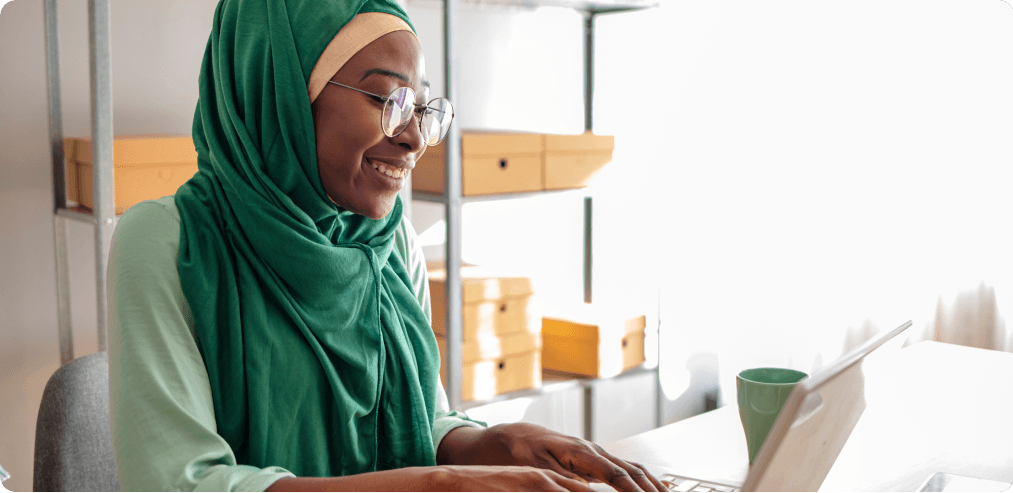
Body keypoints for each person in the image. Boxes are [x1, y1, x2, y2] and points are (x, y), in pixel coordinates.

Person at [107, 0, 667, 491]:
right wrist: (439, 485)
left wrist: (502, 443)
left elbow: (424, 419)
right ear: (279, 91)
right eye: (386, 99)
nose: (415, 139)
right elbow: (181, 482)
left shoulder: (388, 236)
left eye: (421, 107)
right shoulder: (167, 243)